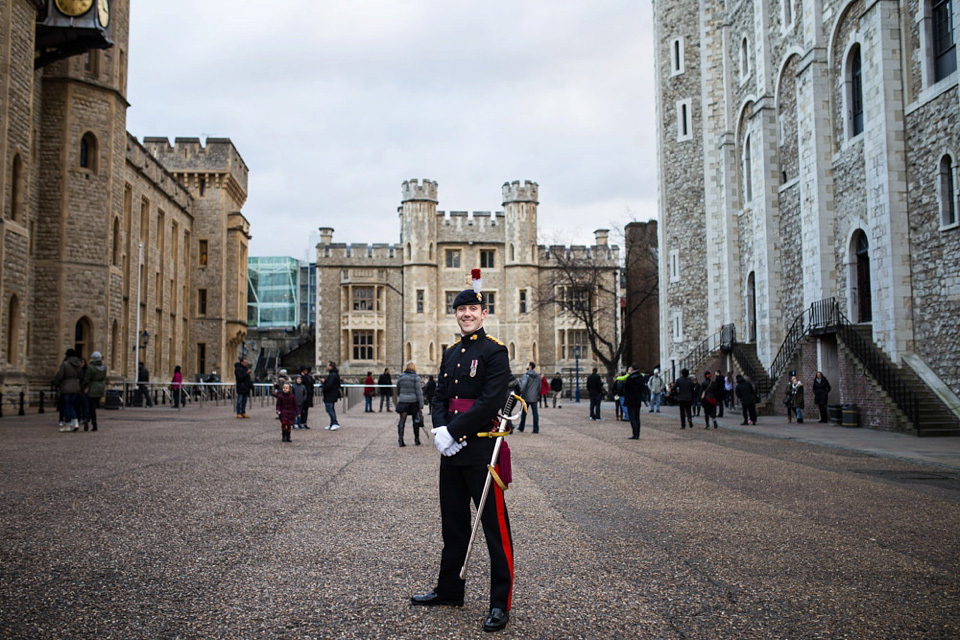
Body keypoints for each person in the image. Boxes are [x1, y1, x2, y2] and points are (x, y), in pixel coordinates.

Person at [411, 282, 514, 633]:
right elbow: (439, 396)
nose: (467, 315)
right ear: (455, 314)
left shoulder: (495, 352)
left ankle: (500, 603)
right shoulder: (451, 352)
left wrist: (453, 432)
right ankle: (450, 590)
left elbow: (489, 401)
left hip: (482, 449)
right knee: (453, 526)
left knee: (495, 531)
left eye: (473, 310)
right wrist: (440, 432)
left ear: (484, 314)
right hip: (451, 452)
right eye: (461, 310)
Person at [53, 349, 84, 432]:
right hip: (75, 386)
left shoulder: (65, 364)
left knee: (67, 406)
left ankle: (68, 424)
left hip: (66, 387)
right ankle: (75, 422)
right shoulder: (79, 364)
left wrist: (55, 382)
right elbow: (81, 375)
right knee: (72, 405)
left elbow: (60, 375)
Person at [396, 363, 424, 446]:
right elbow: (419, 392)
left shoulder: (401, 377)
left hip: (403, 400)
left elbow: (398, 388)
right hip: (413, 401)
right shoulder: (416, 378)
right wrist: (421, 405)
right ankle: (416, 439)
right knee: (415, 421)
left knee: (402, 421)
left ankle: (401, 440)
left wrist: (400, 396)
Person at [81, 351, 107, 431]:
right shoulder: (104, 367)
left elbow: (87, 379)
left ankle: (89, 421)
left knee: (90, 406)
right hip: (101, 388)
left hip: (92, 388)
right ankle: (91, 422)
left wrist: (82, 388)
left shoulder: (91, 367)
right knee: (94, 406)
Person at [517, 362, 540, 433]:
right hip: (534, 397)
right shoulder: (537, 376)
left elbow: (523, 386)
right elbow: (539, 386)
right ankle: (536, 429)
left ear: (530, 366)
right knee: (535, 414)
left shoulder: (526, 375)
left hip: (526, 397)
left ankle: (521, 427)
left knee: (524, 413)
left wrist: (519, 391)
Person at [622, 364, 644, 439]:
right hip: (638, 399)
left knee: (632, 417)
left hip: (631, 400)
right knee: (637, 417)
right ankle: (637, 433)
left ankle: (635, 434)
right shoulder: (641, 377)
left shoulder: (630, 378)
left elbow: (626, 389)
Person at [321, 361, 342, 430]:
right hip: (332, 394)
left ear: (331, 366)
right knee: (331, 409)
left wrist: (324, 383)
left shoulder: (332, 375)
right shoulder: (334, 374)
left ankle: (335, 423)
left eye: (327, 365)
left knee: (329, 409)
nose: (326, 367)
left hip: (330, 395)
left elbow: (329, 385)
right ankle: (332, 423)